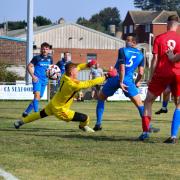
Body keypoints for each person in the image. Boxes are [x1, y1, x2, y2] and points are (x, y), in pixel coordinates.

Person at [14, 61, 117, 132]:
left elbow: (80, 67)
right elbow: (88, 83)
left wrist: (88, 64)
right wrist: (106, 76)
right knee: (86, 118)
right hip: (60, 109)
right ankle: (82, 127)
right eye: (76, 70)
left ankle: (20, 122)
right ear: (72, 72)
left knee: (40, 114)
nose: (78, 70)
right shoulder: (72, 84)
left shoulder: (65, 76)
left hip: (54, 103)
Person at [93, 36, 159, 132]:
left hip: (115, 78)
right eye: (126, 40)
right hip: (128, 81)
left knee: (101, 98)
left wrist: (120, 81)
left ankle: (98, 123)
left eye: (128, 40)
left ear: (134, 43)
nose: (126, 42)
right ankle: (149, 126)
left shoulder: (122, 50)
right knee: (140, 104)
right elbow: (141, 72)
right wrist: (136, 82)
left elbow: (122, 67)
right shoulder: (141, 55)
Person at [139, 15, 180, 143]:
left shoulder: (159, 38)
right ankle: (173, 136)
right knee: (178, 105)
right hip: (178, 73)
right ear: (177, 25)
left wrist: (150, 76)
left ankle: (145, 132)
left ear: (167, 25)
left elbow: (155, 60)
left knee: (148, 101)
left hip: (162, 73)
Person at [22, 42, 53, 117]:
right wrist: (33, 76)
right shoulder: (37, 58)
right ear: (41, 49)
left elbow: (51, 69)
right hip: (37, 80)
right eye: (43, 49)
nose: (44, 50)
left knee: (38, 98)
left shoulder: (50, 59)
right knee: (37, 95)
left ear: (49, 50)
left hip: (45, 80)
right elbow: (29, 66)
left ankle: (26, 112)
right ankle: (37, 113)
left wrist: (52, 76)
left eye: (46, 49)